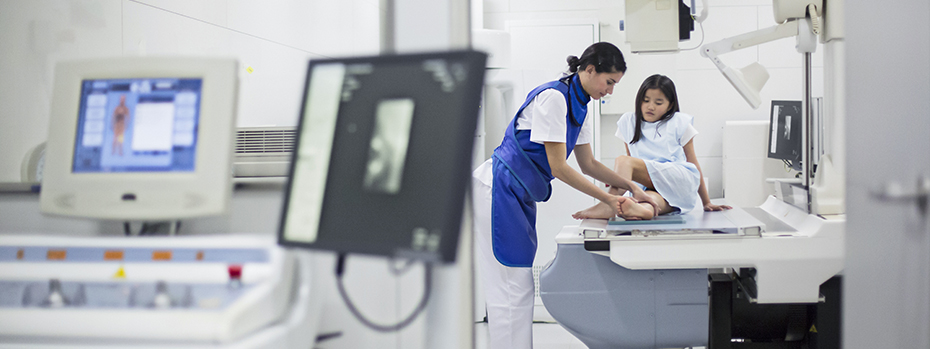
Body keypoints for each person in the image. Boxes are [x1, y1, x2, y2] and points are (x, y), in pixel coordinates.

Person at [471, 42, 657, 349]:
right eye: (609, 82)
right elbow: (559, 167)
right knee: (509, 287)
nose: (610, 91)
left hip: (519, 192)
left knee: (518, 286)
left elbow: (588, 164)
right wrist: (608, 200)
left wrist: (634, 186)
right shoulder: (554, 98)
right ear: (589, 69)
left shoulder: (579, 103)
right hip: (498, 188)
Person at [573, 74, 731, 221]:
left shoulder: (679, 122)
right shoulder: (629, 122)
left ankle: (608, 205)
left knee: (624, 161)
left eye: (658, 102)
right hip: (652, 187)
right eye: (646, 100)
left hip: (678, 180)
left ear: (670, 105)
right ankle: (642, 211)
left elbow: (693, 164)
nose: (650, 106)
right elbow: (632, 171)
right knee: (649, 202)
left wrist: (706, 202)